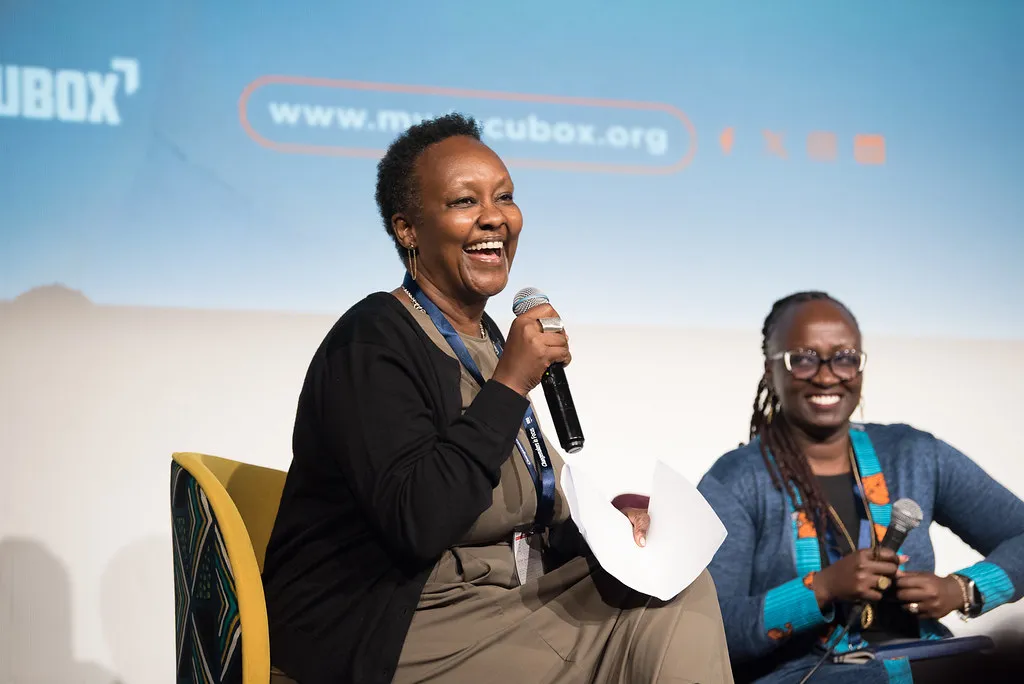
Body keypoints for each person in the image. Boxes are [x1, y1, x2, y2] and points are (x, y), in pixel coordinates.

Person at [261, 113, 733, 684]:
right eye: (465, 201)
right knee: (657, 629)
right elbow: (420, 520)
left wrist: (611, 529)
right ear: (407, 229)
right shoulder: (373, 340)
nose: (494, 217)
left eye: (504, 196)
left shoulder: (488, 339)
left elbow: (518, 509)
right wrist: (509, 385)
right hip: (394, 620)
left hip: (503, 597)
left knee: (673, 583)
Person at [697, 291, 1024, 683]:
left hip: (926, 661)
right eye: (802, 358)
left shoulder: (914, 453)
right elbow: (709, 630)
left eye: (845, 357)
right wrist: (821, 588)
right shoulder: (734, 480)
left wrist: (964, 589)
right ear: (770, 370)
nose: (826, 374)